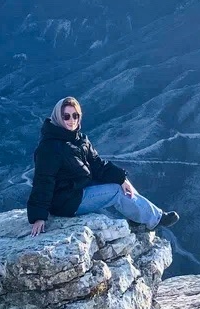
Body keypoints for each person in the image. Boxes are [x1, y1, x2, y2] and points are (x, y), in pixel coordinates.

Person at [27, 96, 180, 236]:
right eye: (66, 116)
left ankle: (139, 218)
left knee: (122, 184)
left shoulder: (80, 139)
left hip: (79, 189)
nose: (71, 120)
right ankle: (155, 219)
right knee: (116, 191)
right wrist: (39, 216)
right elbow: (43, 181)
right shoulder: (50, 147)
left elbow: (98, 164)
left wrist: (122, 178)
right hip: (65, 201)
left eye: (75, 115)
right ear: (58, 117)